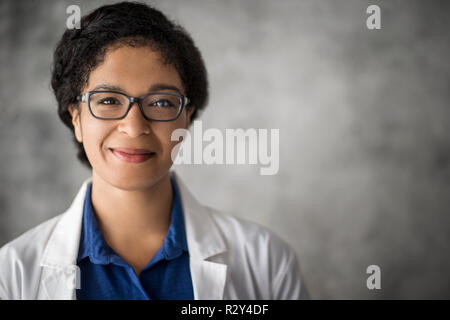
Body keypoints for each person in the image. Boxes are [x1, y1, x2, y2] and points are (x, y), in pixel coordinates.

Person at [0, 1, 309, 300]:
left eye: (162, 102)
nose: (134, 128)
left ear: (187, 118)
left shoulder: (267, 262)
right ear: (76, 118)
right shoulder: (11, 274)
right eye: (108, 100)